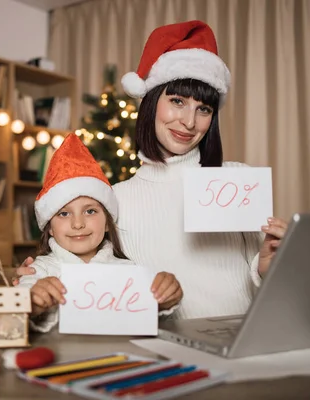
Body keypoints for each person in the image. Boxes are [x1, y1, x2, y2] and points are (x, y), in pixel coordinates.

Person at [16, 20, 287, 320]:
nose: (189, 122)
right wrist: (32, 284)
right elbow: (90, 275)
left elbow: (269, 283)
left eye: (204, 109)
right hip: (168, 348)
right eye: (177, 101)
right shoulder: (113, 200)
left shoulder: (237, 181)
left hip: (243, 338)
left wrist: (267, 268)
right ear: (151, 102)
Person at [16, 133, 182, 332]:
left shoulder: (128, 271)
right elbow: (15, 307)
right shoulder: (39, 271)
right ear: (49, 227)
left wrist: (164, 298)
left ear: (106, 222)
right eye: (64, 213)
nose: (78, 223)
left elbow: (145, 313)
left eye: (90, 211)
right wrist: (31, 301)